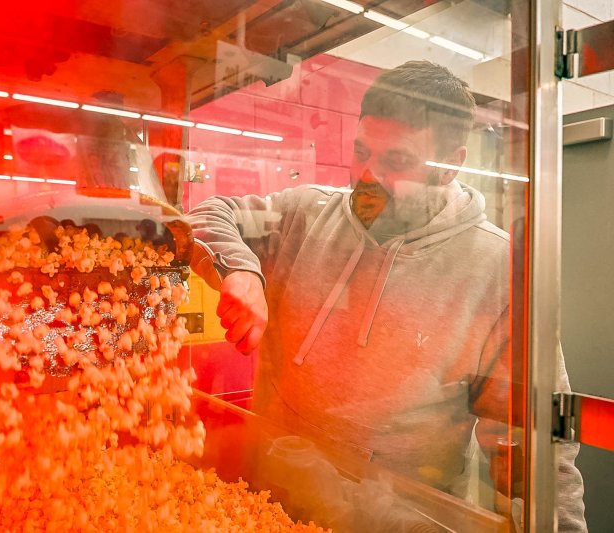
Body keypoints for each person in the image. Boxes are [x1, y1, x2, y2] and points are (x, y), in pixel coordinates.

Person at [186, 60, 586, 531]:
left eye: (395, 161)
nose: (366, 176)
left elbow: (534, 447)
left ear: (449, 165)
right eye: (360, 151)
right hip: (269, 507)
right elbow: (208, 213)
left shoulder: (499, 272)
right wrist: (242, 270)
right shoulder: (304, 213)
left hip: (399, 520)